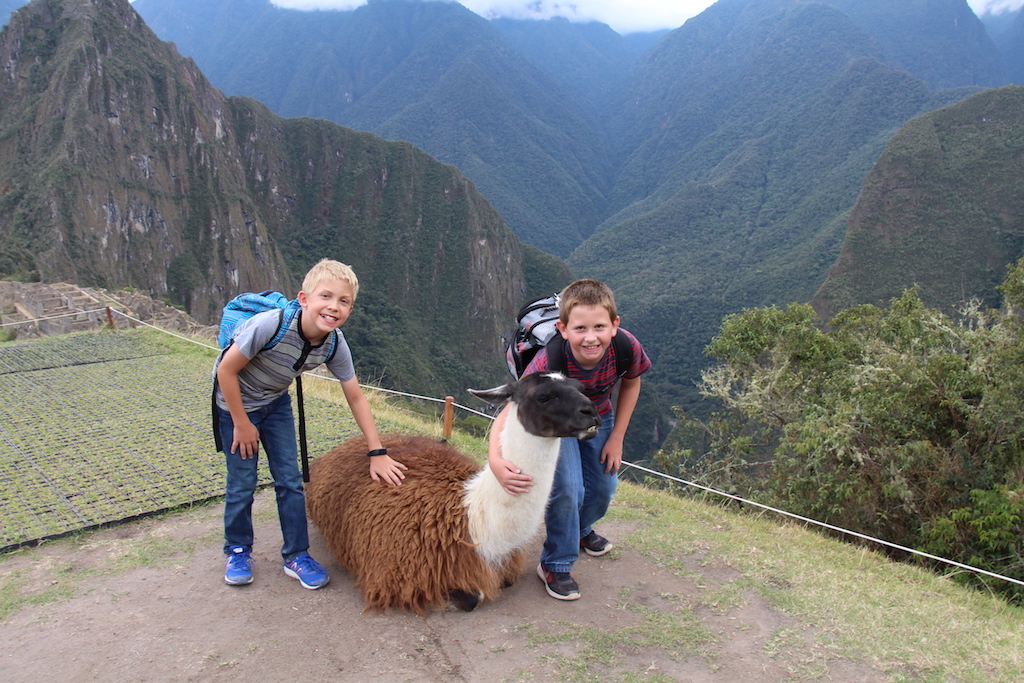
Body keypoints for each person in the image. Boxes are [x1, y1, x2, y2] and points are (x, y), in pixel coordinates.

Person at [213, 259, 407, 589]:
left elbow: (356, 396)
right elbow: (225, 371)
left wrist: (377, 450)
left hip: (275, 405)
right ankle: (238, 550)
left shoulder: (333, 343)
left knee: (290, 480)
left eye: (343, 301)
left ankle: (296, 555)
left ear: (350, 308)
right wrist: (242, 423)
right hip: (234, 407)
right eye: (326, 297)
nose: (333, 307)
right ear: (304, 299)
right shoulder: (269, 326)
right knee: (242, 481)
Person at [488, 279, 651, 600]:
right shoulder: (549, 361)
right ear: (563, 329)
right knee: (568, 490)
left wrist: (617, 437)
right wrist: (495, 459)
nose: (591, 337)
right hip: (557, 429)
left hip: (597, 418)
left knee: (604, 487)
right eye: (580, 329)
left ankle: (579, 529)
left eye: (600, 327)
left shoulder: (625, 346)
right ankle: (556, 563)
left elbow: (632, 383)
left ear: (614, 325)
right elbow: (511, 407)